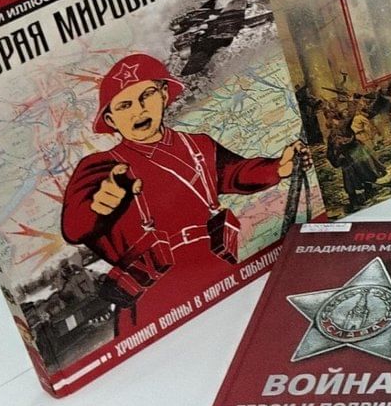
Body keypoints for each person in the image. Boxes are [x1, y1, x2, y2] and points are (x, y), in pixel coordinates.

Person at [60, 54, 297, 338]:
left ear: (163, 94)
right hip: (154, 298)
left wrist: (278, 167)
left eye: (147, 95)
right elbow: (74, 227)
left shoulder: (198, 145)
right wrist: (101, 204)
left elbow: (234, 173)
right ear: (111, 119)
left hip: (219, 272)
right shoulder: (100, 166)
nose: (139, 111)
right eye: (125, 105)